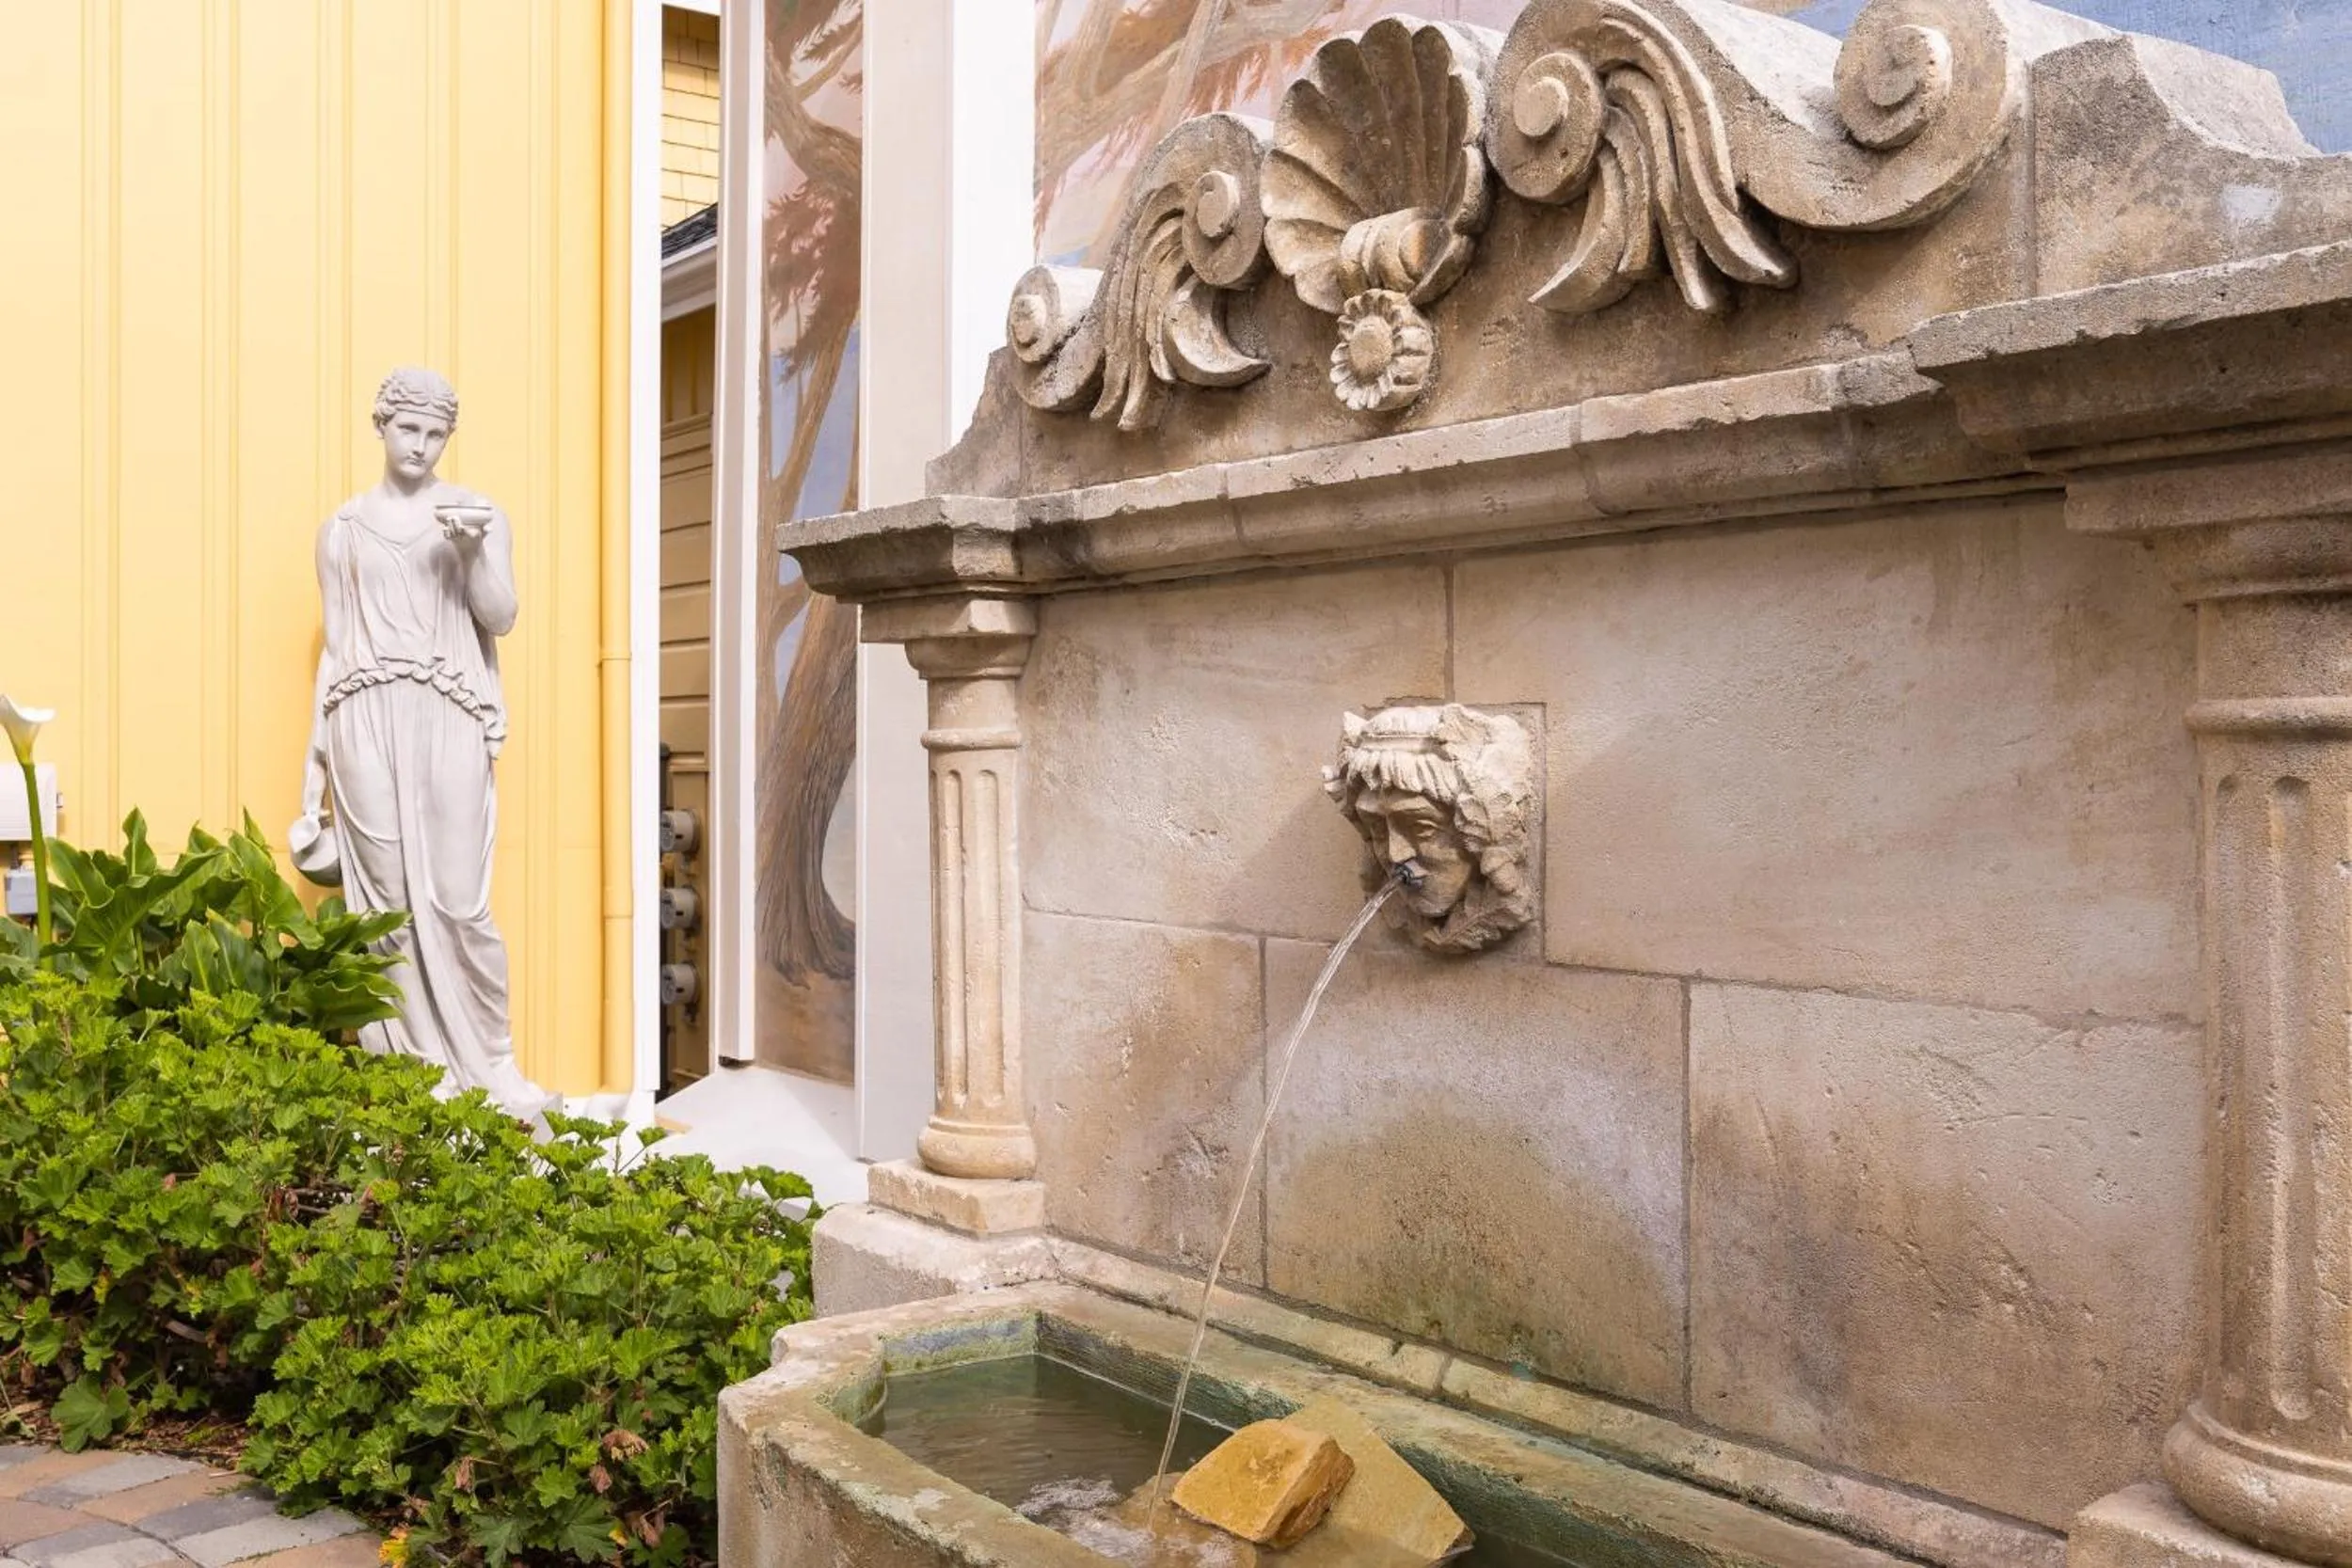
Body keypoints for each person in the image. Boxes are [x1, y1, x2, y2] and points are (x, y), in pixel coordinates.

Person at [293, 367, 552, 1120]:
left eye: (437, 433)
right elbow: (337, 650)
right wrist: (314, 775)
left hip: (449, 709)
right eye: (409, 428)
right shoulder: (340, 531)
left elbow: (500, 617)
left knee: (459, 899)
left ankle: (492, 1063)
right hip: (362, 717)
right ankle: (411, 1075)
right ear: (381, 425)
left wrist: (470, 552)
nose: (422, 445)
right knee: (387, 901)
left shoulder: (476, 513)